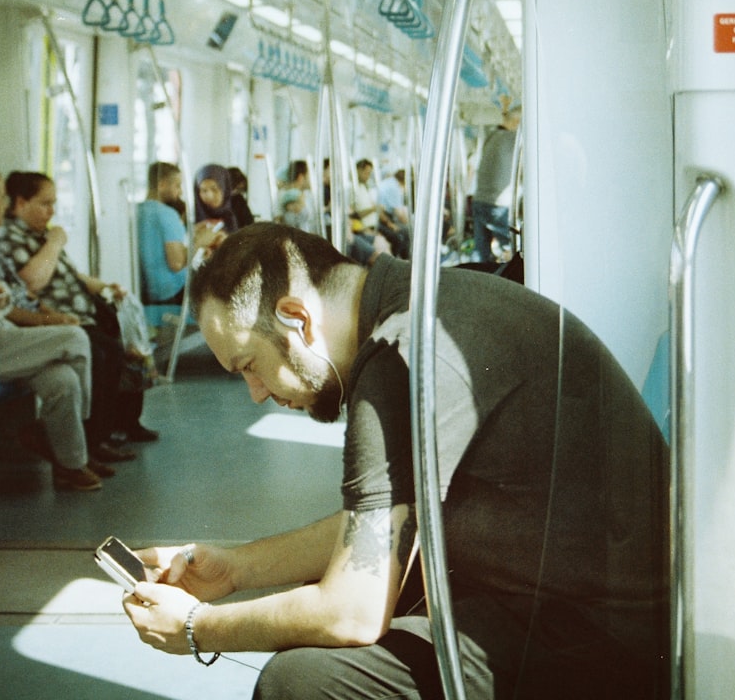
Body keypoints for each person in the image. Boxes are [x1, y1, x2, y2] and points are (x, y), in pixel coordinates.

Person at [121, 224, 669, 699]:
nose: (257, 392)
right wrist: (237, 568)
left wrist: (197, 627)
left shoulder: (397, 358)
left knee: (301, 684)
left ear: (296, 319)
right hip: (603, 603)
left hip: (600, 642)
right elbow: (378, 531)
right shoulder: (423, 303)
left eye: (250, 365)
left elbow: (352, 612)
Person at [0, 171, 154, 450]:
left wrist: (105, 287)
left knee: (125, 336)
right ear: (21, 203)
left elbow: (71, 274)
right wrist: (55, 242)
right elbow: (33, 281)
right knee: (104, 352)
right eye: (45, 204)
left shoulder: (41, 234)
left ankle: (126, 422)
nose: (51, 211)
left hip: (83, 310)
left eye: (53, 204)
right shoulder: (10, 236)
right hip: (54, 318)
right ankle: (95, 438)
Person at [0, 167, 108, 490]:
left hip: (1, 334)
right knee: (76, 338)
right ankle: (79, 433)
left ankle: (71, 465)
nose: (6, 205)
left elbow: (5, 298)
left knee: (63, 380)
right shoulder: (6, 238)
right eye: (2, 198)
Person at [138, 161, 225, 305]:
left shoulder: (139, 210)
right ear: (162, 185)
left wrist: (193, 232)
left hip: (149, 291)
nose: (181, 192)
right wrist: (202, 240)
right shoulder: (167, 214)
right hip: (172, 291)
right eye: (177, 186)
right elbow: (177, 263)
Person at [472, 104, 521, 263]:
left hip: (479, 200)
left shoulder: (491, 136)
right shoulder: (513, 139)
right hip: (498, 205)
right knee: (516, 249)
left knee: (481, 252)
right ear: (517, 122)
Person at [194, 164, 238, 233]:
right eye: (204, 190)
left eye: (214, 189)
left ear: (225, 190)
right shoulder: (189, 218)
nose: (209, 196)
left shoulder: (234, 217)